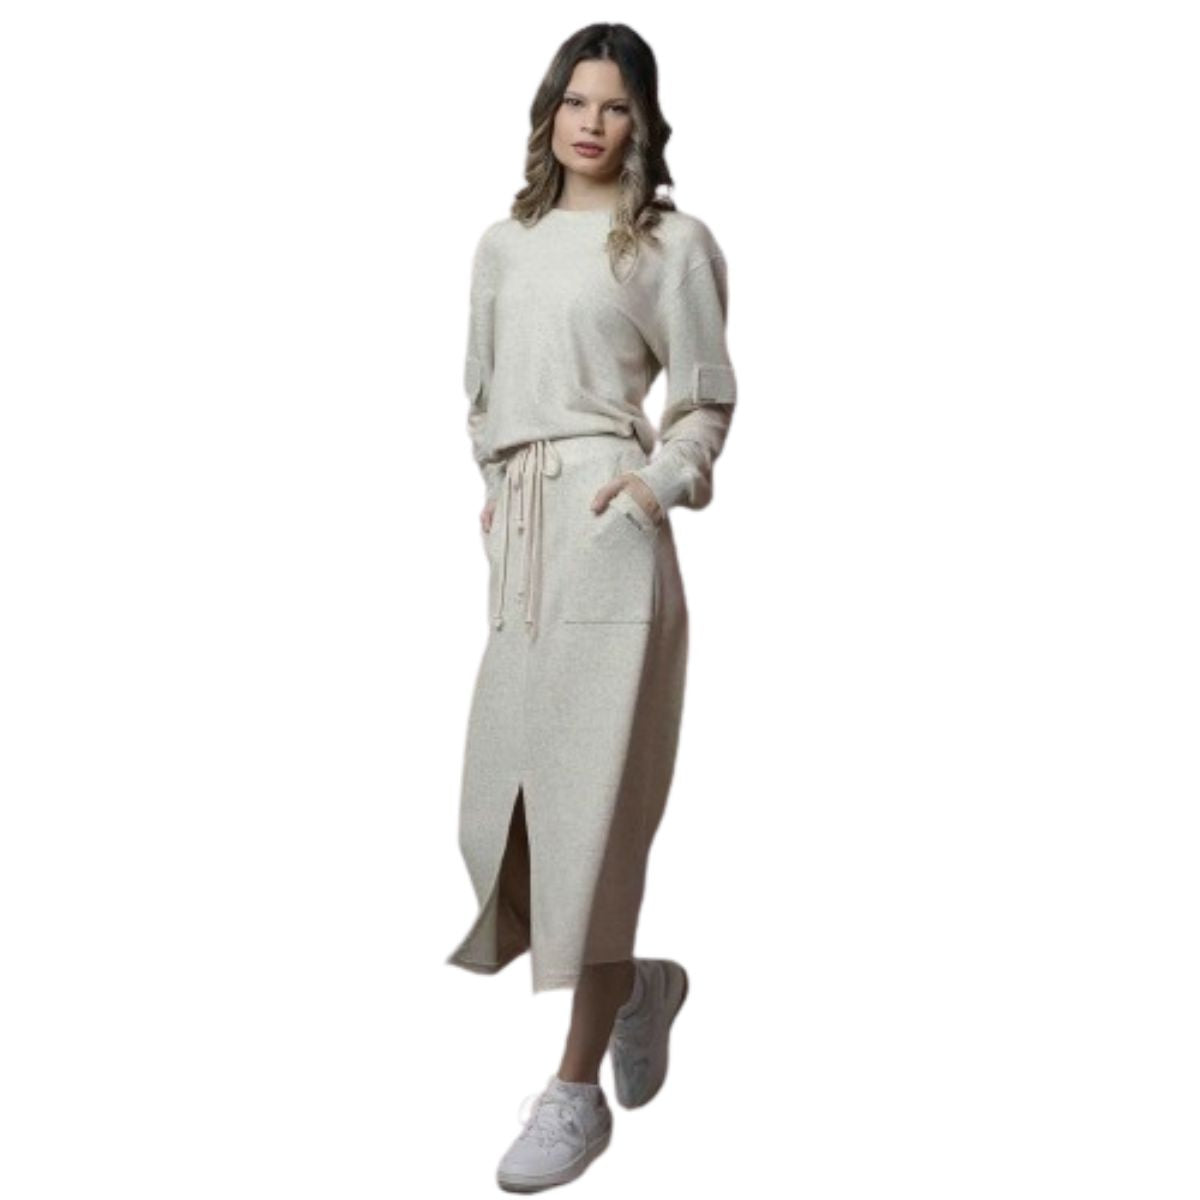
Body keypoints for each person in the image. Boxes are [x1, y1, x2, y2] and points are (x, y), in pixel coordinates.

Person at [445, 23, 738, 1192]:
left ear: (643, 123)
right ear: (549, 109)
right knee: (505, 817)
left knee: (596, 819)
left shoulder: (671, 244)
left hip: (614, 538)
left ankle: (574, 1092)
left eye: (616, 106)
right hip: (523, 548)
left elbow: (705, 401)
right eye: (577, 100)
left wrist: (655, 485)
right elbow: (481, 396)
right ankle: (640, 986)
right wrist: (497, 480)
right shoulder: (502, 245)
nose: (592, 123)